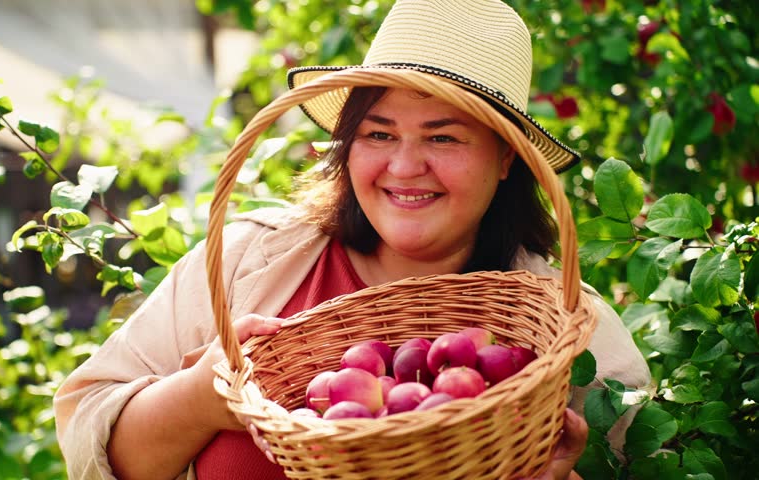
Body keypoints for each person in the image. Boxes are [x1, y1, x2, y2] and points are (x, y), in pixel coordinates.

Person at [53, 0, 652, 479]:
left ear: (505, 160)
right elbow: (89, 445)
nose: (404, 165)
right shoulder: (247, 262)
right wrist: (199, 398)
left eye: (443, 138)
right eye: (378, 133)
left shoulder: (568, 328)